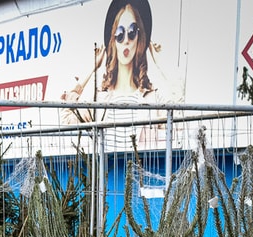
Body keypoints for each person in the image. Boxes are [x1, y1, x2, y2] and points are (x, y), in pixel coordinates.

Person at [60, 0, 178, 150]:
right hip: (107, 172)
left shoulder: (153, 99)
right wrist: (91, 68)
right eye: (120, 34)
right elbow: (66, 117)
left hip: (141, 172)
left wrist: (161, 64)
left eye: (132, 32)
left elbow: (180, 115)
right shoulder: (100, 99)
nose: (126, 41)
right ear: (113, 40)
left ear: (139, 37)